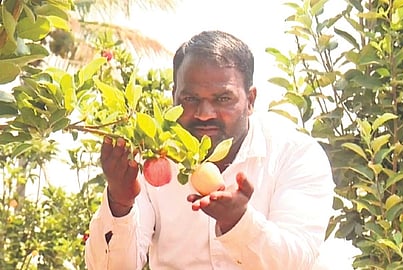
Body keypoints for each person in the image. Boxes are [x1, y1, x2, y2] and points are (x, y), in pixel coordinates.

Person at [85, 30, 335, 270]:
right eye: (190, 99)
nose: (204, 114)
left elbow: (296, 263)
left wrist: (238, 223)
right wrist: (120, 201)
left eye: (222, 99)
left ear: (250, 100)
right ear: (174, 97)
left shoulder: (295, 155)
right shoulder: (150, 158)